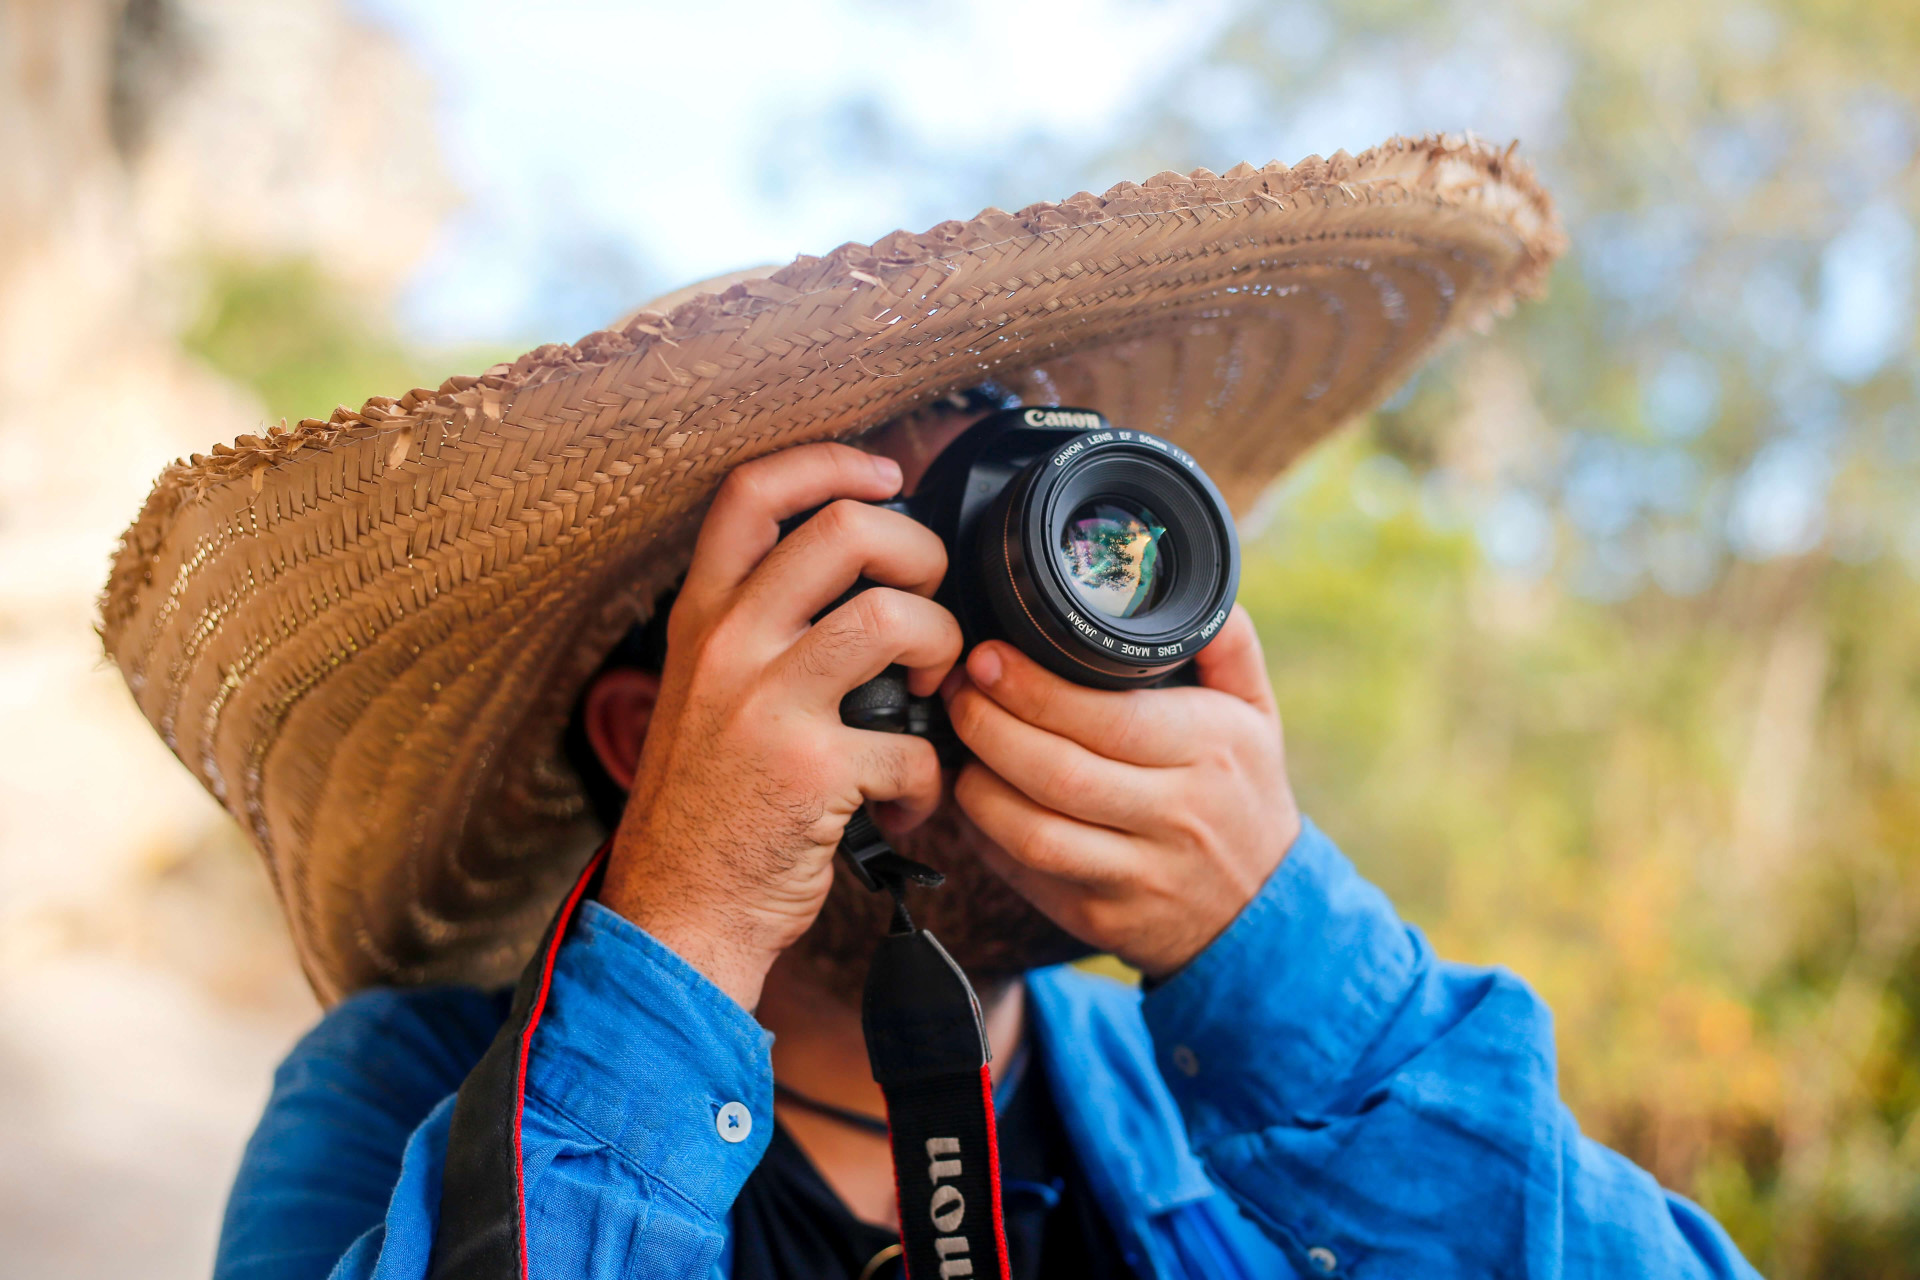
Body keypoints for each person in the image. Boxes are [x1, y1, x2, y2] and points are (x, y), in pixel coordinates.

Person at [99, 139, 1760, 1278]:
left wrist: (1288, 965)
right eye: (857, 574)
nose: (1014, 629)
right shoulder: (404, 1089)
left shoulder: (1211, 1079)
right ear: (645, 736)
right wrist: (675, 928)